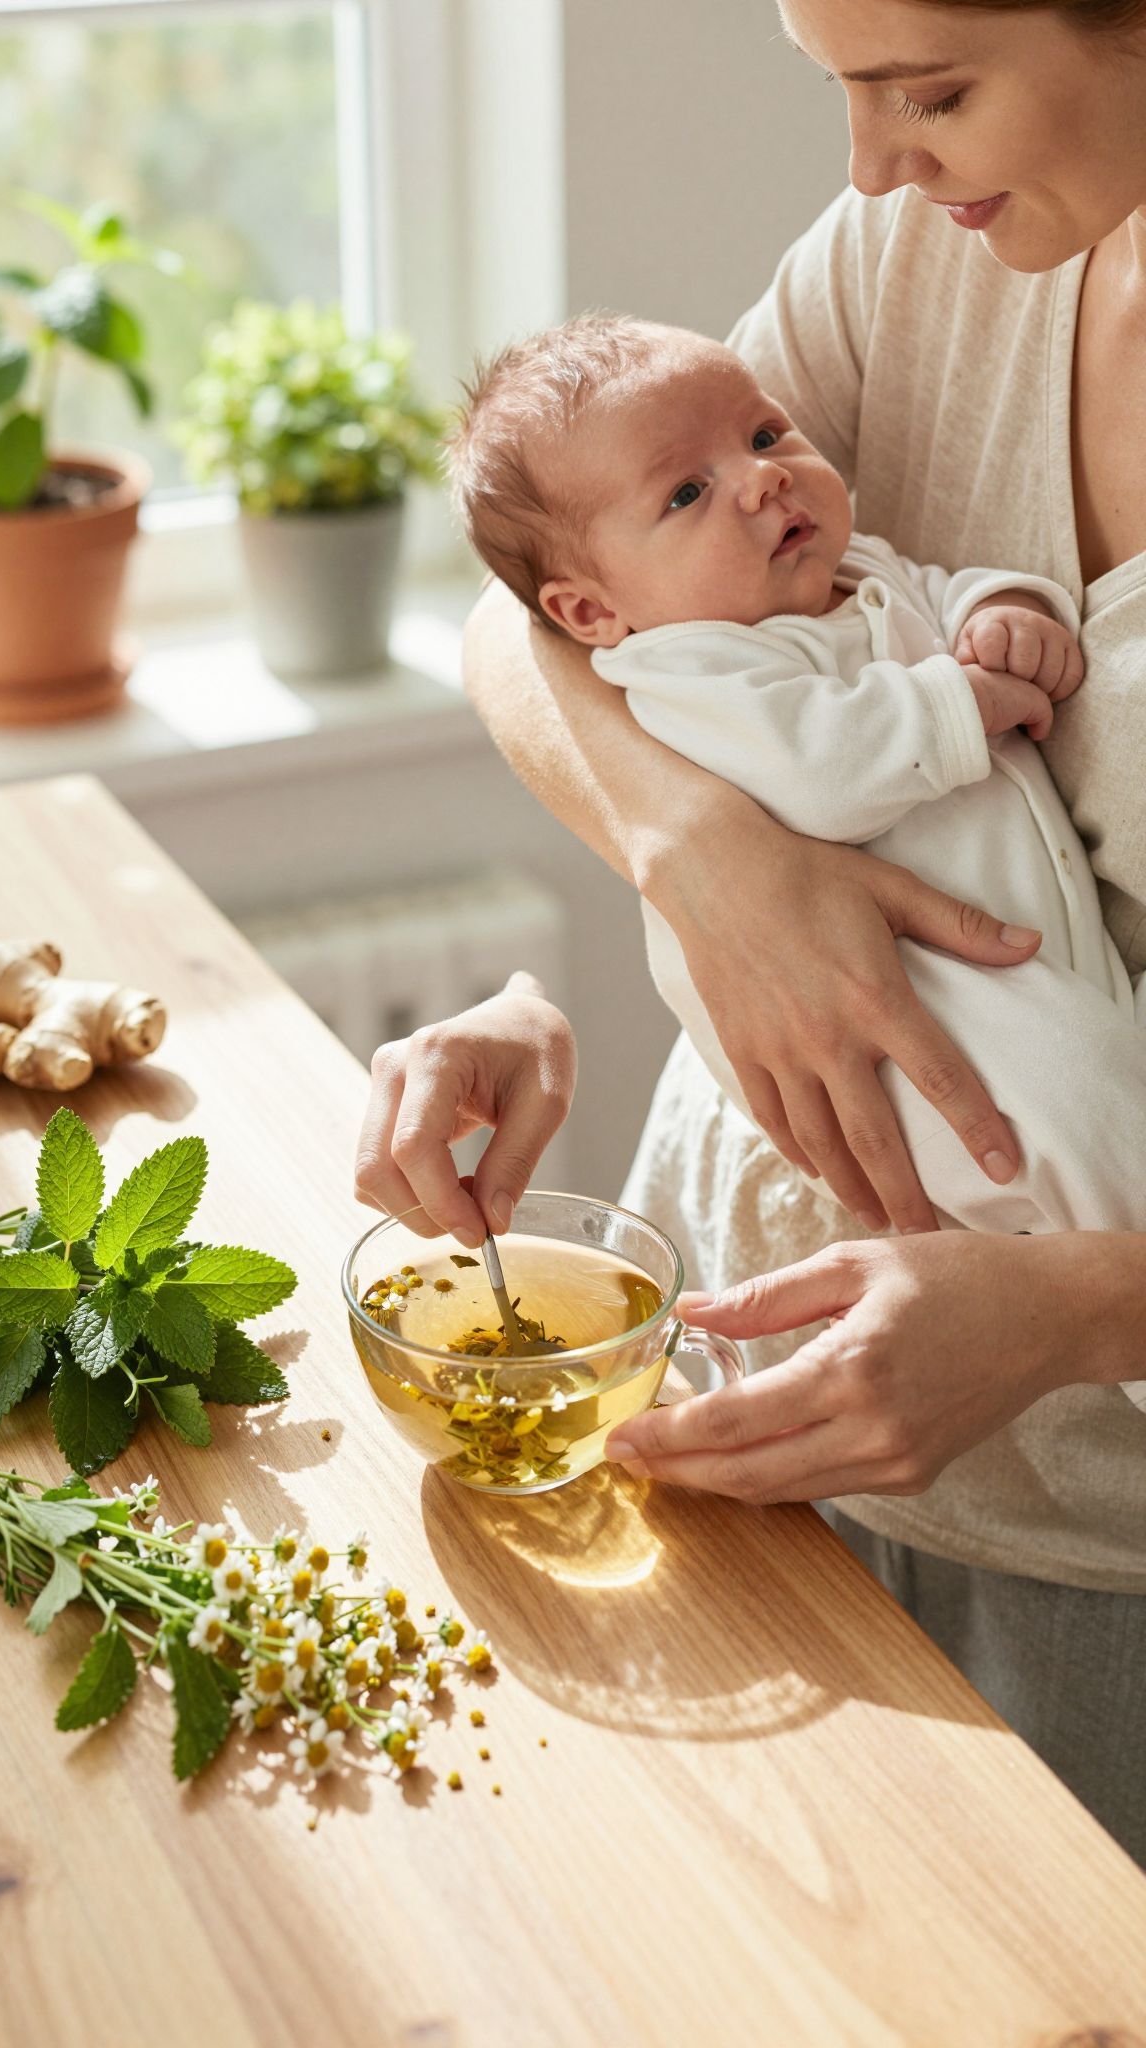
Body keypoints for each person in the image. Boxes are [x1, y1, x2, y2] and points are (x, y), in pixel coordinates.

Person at [356, 0, 1146, 1865]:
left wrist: (1076, 1304)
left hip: (1091, 1556)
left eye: (927, 90)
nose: (866, 164)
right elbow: (538, 609)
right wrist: (699, 851)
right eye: (843, 89)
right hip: (722, 1386)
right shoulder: (924, 251)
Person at [448, 313, 1146, 1412]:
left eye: (768, 433)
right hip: (912, 1007)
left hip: (1022, 953)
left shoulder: (846, 572)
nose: (763, 481)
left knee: (1108, 1077)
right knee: (1081, 1111)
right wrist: (956, 699)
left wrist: (1002, 609)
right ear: (594, 611)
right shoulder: (685, 666)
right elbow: (820, 766)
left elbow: (934, 585)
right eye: (685, 493)